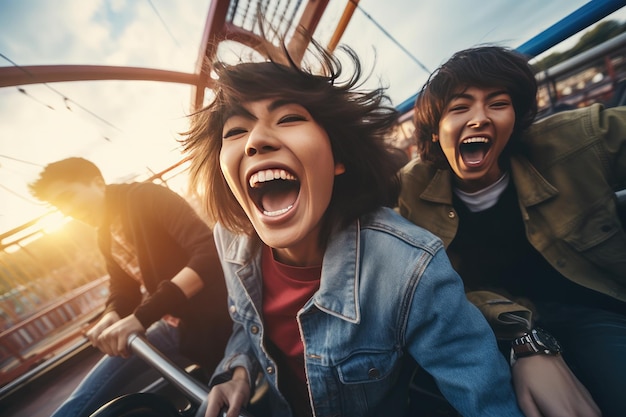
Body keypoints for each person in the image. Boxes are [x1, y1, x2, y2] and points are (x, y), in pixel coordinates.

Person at [181, 37, 525, 417]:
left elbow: (486, 398)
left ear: (338, 158)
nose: (257, 141)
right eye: (235, 132)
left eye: (289, 119)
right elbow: (250, 325)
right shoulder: (229, 241)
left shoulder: (409, 269)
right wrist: (238, 369)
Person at [398, 45, 626, 417]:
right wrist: (525, 339)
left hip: (592, 311)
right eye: (459, 108)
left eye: (497, 103)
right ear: (436, 133)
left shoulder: (574, 140)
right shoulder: (409, 189)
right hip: (492, 328)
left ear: (515, 119)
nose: (479, 119)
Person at [28, 157, 232, 417]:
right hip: (171, 324)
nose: (68, 211)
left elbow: (208, 253)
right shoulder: (104, 233)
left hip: (214, 319)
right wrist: (112, 313)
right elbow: (122, 286)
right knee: (84, 397)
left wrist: (142, 316)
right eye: (60, 207)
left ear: (97, 183)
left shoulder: (146, 197)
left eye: (69, 197)